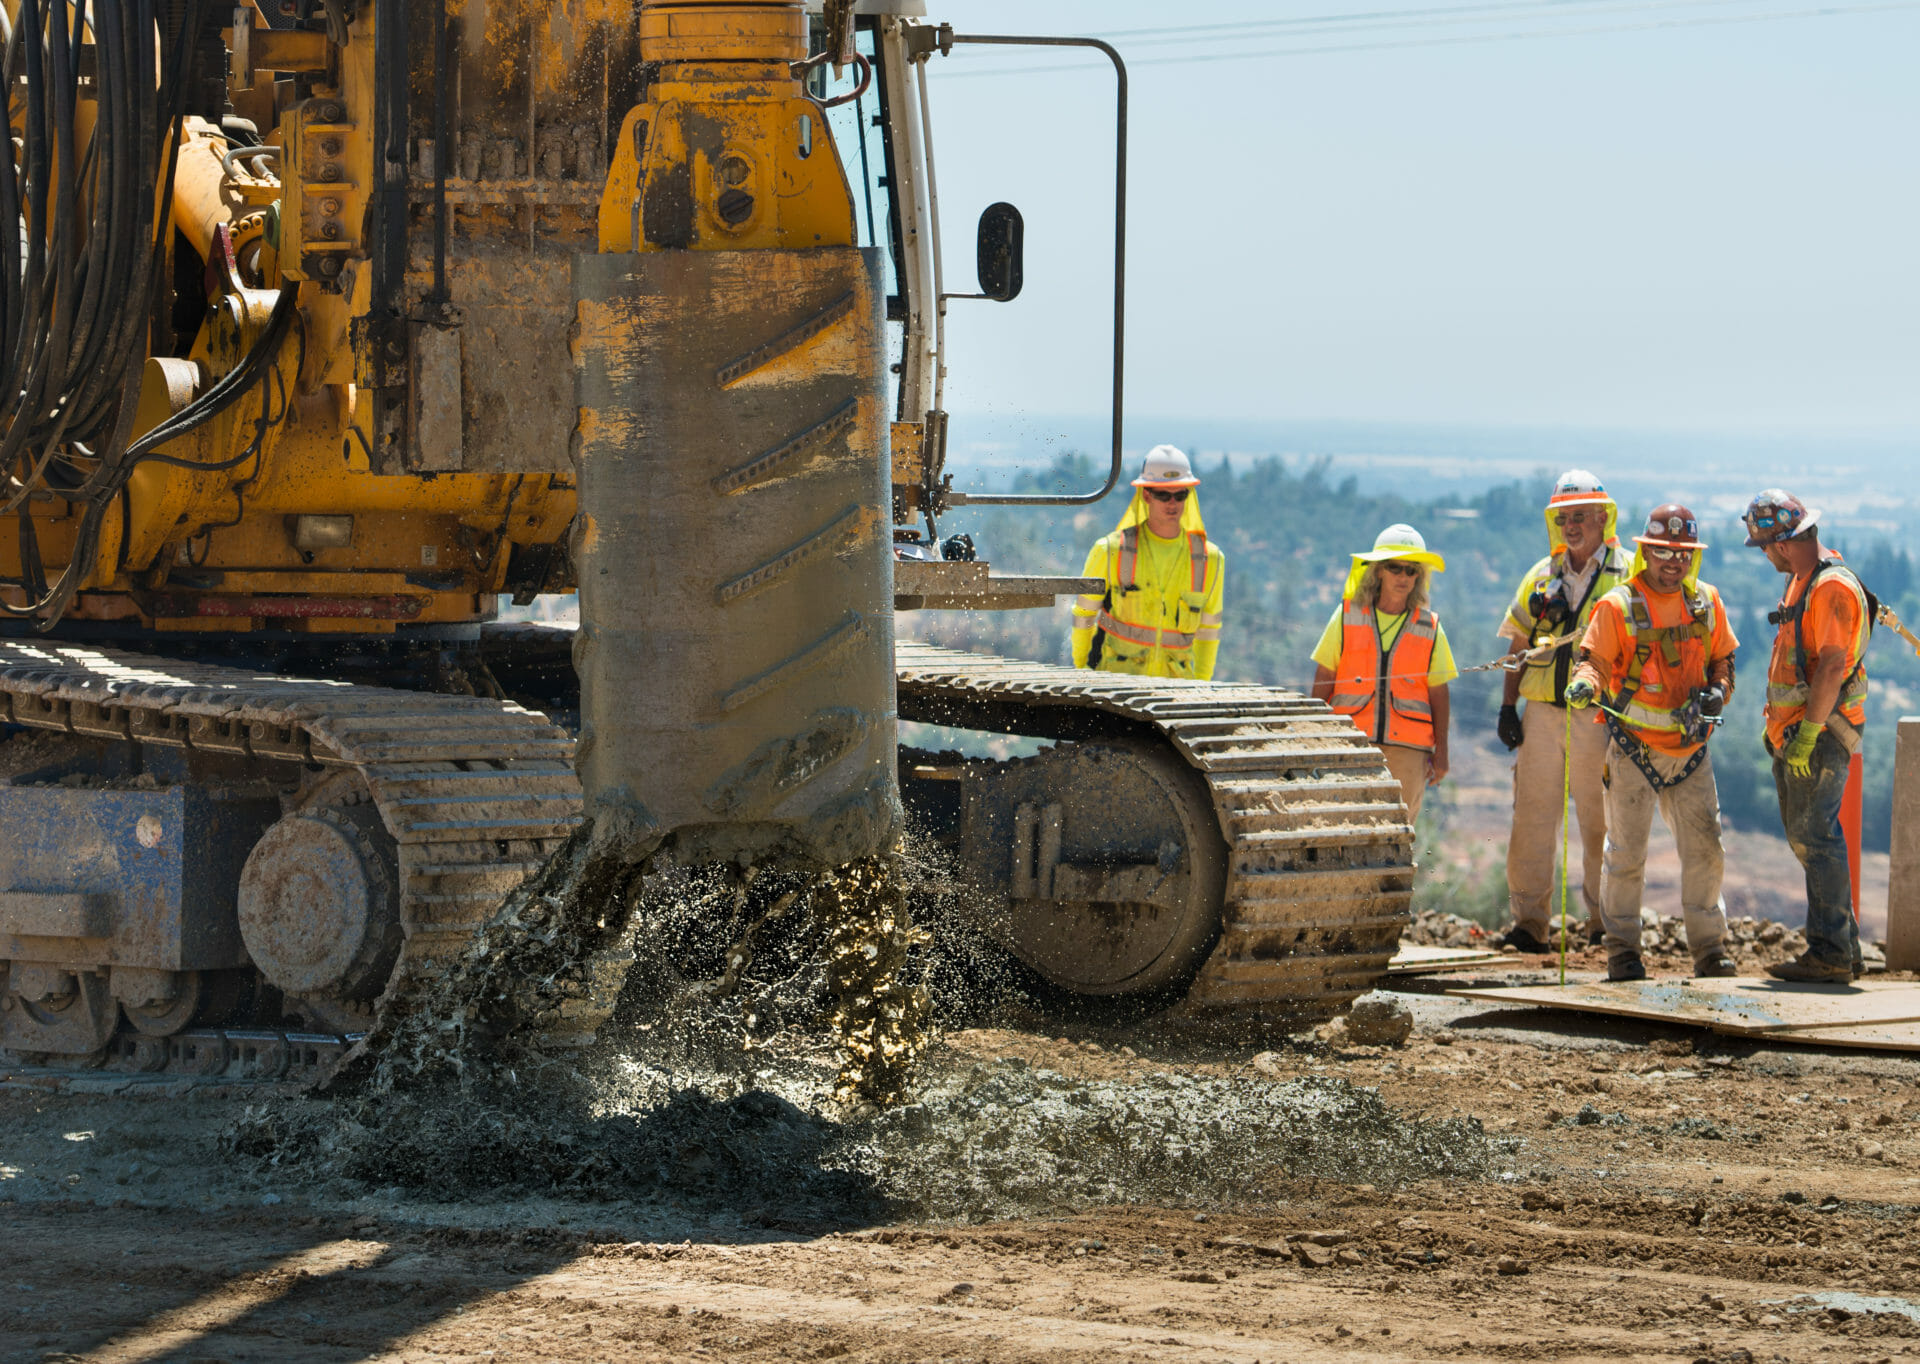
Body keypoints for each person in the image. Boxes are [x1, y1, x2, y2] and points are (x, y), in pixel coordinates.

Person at [1566, 504, 1738, 982]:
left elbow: (1724, 660)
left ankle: (1710, 951)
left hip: (1691, 752)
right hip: (1634, 749)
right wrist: (1585, 684)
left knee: (1706, 851)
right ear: (1646, 552)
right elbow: (1594, 662)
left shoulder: (1706, 603)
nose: (1674, 562)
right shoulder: (1618, 606)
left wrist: (1719, 690)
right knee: (1626, 855)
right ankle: (1623, 951)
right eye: (1663, 552)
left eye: (1682, 554)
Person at [1494, 471, 1635, 954]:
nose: (1570, 526)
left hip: (1600, 716)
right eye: (1563, 518)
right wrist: (1508, 706)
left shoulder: (1627, 574)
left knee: (1600, 822)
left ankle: (1602, 923)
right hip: (1541, 715)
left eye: (1579, 516)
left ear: (1602, 517)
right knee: (1532, 819)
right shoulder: (1541, 575)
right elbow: (1518, 644)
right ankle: (1529, 925)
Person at [1743, 490, 1869, 983]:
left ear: (1781, 543)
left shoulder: (1829, 586)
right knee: (1810, 838)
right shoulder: (1804, 579)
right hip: (1800, 729)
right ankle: (1844, 950)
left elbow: (1833, 665)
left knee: (1815, 838)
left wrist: (1809, 732)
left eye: (1764, 547)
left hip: (1820, 733)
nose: (1765, 556)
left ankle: (1830, 953)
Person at [1311, 524, 1456, 823]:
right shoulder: (1347, 616)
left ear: (1418, 577)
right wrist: (1313, 734)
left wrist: (1441, 751)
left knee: (1397, 834)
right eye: (1395, 568)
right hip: (1349, 743)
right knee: (1345, 828)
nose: (1403, 577)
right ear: (1378, 571)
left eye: (1411, 570)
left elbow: (1439, 694)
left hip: (1408, 752)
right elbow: (1324, 676)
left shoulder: (1430, 627)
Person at [1070, 445, 1226, 681]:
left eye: (1180, 495)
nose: (1172, 503)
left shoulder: (1209, 559)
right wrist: (1081, 671)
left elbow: (1209, 630)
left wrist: (1202, 684)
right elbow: (1084, 615)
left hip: (1177, 690)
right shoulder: (1111, 550)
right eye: (1163, 495)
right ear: (1146, 495)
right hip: (1116, 687)